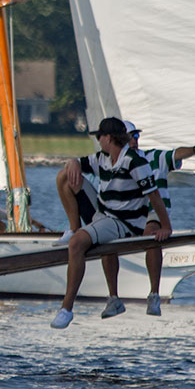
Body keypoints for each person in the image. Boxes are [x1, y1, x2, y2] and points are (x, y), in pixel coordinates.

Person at [51, 116, 172, 329]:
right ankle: (74, 228)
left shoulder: (134, 162)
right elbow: (78, 163)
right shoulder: (102, 158)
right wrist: (72, 162)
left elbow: (154, 197)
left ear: (109, 137)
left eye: (100, 136)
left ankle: (66, 309)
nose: (98, 139)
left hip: (124, 224)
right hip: (104, 215)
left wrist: (165, 227)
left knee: (77, 244)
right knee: (64, 176)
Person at [97, 121, 195, 318]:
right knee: (106, 242)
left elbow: (175, 154)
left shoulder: (152, 157)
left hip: (151, 213)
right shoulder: (109, 164)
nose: (135, 140)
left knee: (152, 234)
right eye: (131, 136)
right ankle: (113, 298)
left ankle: (154, 295)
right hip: (126, 215)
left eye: (136, 136)